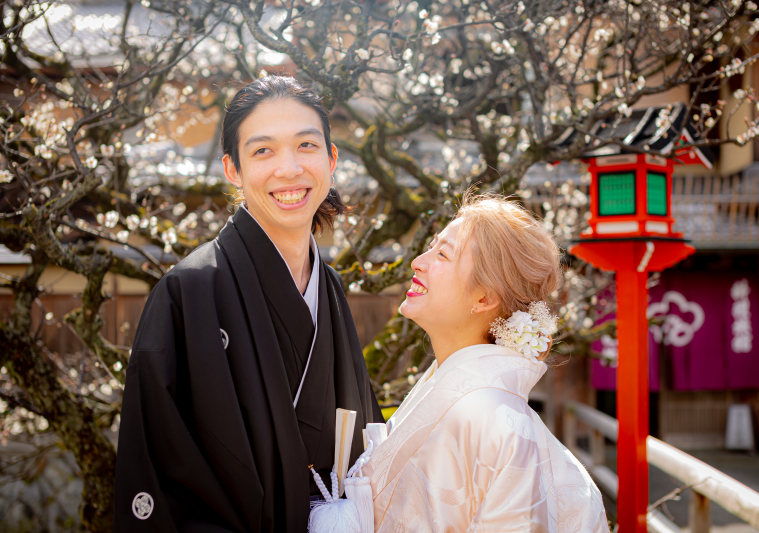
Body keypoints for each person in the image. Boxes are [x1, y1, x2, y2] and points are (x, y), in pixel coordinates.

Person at [113, 76, 383, 533]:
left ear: (331, 159)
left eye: (306, 145)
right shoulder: (188, 293)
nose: (289, 168)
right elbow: (159, 473)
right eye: (263, 151)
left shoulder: (330, 288)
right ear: (232, 170)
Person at [361, 195, 609, 532]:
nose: (418, 262)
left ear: (484, 298)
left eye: (442, 254)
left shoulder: (492, 417)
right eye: (430, 248)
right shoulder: (464, 395)